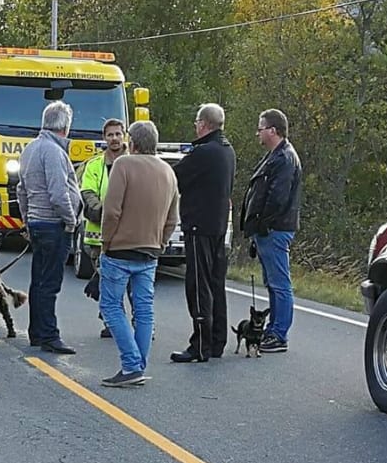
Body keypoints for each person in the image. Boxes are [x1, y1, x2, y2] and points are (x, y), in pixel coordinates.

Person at [97, 119, 179, 388]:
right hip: (150, 250)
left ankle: (131, 365)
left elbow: (111, 211)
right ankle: (138, 366)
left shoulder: (123, 165)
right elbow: (172, 218)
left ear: (132, 142)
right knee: (144, 310)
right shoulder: (168, 172)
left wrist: (106, 242)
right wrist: (161, 243)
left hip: (120, 248)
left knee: (111, 306)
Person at [171, 103, 237, 363]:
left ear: (204, 124)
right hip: (218, 225)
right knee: (216, 284)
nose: (195, 127)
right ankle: (217, 340)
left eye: (197, 122)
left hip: (199, 226)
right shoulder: (227, 150)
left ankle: (200, 344)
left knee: (198, 286)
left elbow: (174, 177)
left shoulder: (204, 152)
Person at [17, 100, 81, 355]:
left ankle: (36, 331)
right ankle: (49, 335)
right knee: (50, 283)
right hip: (54, 224)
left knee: (38, 280)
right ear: (65, 126)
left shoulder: (30, 149)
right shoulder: (54, 152)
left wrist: (27, 219)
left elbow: (21, 190)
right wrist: (71, 220)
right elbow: (58, 193)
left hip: (37, 221)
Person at [239, 108, 302, 354]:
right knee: (273, 282)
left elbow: (278, 198)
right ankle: (273, 328)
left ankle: (279, 333)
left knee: (279, 283)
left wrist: (262, 224)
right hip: (268, 229)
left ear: (273, 130)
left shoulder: (285, 159)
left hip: (275, 229)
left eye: (261, 128)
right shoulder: (274, 156)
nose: (258, 133)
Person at [80, 119, 129, 339]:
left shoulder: (133, 162)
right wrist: (107, 213)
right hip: (98, 238)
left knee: (132, 284)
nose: (115, 138)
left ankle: (141, 323)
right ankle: (112, 323)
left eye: (118, 134)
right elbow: (87, 194)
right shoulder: (94, 165)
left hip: (128, 236)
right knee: (108, 284)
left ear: (124, 135)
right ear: (104, 138)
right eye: (110, 135)